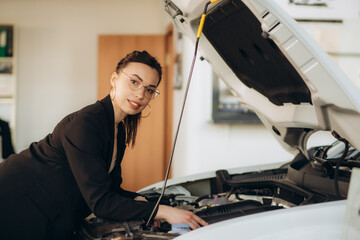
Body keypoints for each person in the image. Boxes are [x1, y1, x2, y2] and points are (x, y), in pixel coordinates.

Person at [0, 50, 207, 239]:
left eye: (150, 90)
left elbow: (111, 189)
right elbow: (101, 203)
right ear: (114, 79)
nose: (141, 95)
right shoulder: (86, 123)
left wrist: (145, 202)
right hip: (13, 203)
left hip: (47, 212)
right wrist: (163, 211)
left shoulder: (117, 128)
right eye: (134, 82)